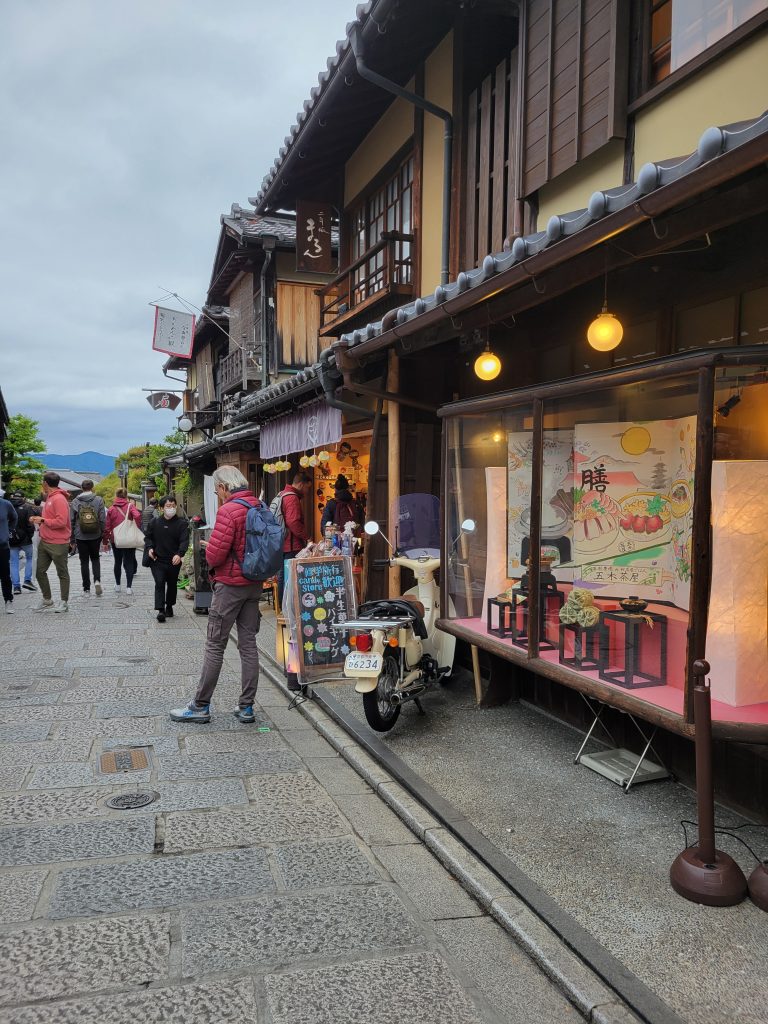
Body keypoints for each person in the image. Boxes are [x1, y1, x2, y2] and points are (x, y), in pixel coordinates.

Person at [170, 465, 264, 725]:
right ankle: (246, 707)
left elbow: (215, 556)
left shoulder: (229, 511)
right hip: (254, 583)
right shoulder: (259, 507)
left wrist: (209, 547)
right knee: (248, 645)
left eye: (216, 491)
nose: (218, 495)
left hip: (230, 585)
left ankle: (200, 705)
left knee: (215, 644)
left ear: (224, 487)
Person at [30, 472, 71, 613]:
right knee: (39, 571)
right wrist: (39, 519)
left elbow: (61, 522)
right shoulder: (49, 498)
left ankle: (64, 602)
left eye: (42, 482)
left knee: (62, 573)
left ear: (46, 483)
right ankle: (47, 599)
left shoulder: (59, 499)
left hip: (58, 542)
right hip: (45, 540)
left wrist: (42, 520)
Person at [145, 494, 189, 622]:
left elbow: (184, 541)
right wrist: (150, 548)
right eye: (168, 506)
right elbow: (148, 537)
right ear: (161, 508)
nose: (171, 508)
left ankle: (169, 605)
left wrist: (179, 554)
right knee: (159, 583)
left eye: (173, 506)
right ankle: (160, 610)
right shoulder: (155, 522)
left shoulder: (181, 523)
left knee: (171, 584)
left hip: (174, 560)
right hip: (157, 559)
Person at [276, 470, 312, 607]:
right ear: (302, 485)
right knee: (287, 577)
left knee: (283, 575)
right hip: (290, 545)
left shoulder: (282, 494)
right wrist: (307, 536)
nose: (307, 491)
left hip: (282, 543)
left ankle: (283, 607)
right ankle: (285, 607)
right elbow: (293, 522)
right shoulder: (292, 498)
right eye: (308, 487)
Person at [70, 479, 106, 598]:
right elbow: (102, 519)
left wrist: (72, 537)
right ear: (92, 487)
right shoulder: (99, 500)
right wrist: (101, 532)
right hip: (95, 534)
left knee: (84, 562)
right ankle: (97, 581)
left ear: (81, 487)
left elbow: (72, 520)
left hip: (81, 535)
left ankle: (86, 589)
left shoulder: (75, 501)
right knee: (95, 559)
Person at [103, 488, 141, 595]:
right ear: (125, 496)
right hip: (129, 538)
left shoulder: (111, 509)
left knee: (117, 562)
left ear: (116, 496)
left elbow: (107, 527)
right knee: (129, 562)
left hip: (116, 539)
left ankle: (118, 585)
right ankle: (128, 587)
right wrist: (135, 527)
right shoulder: (130, 506)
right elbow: (137, 515)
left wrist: (105, 542)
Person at [8, 491, 36, 594]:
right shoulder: (27, 507)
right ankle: (27, 580)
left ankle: (16, 587)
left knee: (13, 562)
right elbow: (30, 524)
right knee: (30, 558)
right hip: (25, 539)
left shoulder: (8, 506)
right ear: (23, 498)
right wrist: (30, 536)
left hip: (11, 539)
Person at [0, 490, 18, 613]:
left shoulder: (5, 504)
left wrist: (9, 531)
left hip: (2, 544)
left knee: (4, 574)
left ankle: (8, 600)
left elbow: (14, 517)